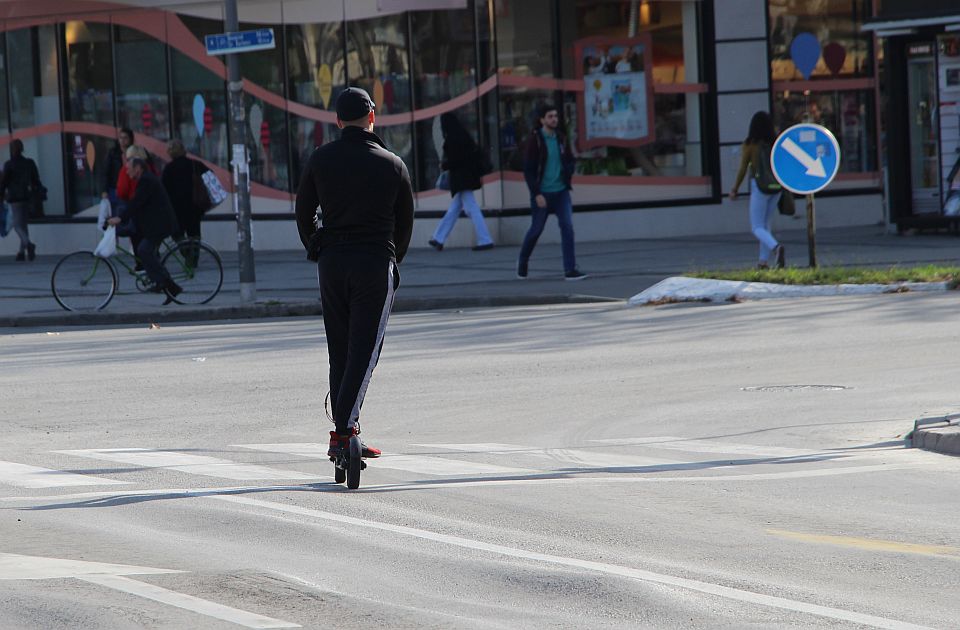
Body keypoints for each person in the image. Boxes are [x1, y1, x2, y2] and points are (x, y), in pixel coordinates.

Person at [294, 87, 414, 460]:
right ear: (372, 118)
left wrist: (314, 244)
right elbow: (405, 222)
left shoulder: (320, 159)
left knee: (340, 350)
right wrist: (394, 257)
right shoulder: (393, 163)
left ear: (338, 121)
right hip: (373, 262)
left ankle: (347, 431)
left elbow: (303, 211)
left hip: (332, 263)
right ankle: (344, 430)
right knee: (364, 351)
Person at [518, 103, 586, 280]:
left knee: (567, 227)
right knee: (536, 230)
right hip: (543, 194)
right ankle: (523, 261)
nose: (554, 119)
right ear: (542, 120)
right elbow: (529, 170)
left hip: (561, 192)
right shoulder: (535, 141)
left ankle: (570, 269)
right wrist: (536, 194)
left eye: (555, 116)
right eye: (550, 116)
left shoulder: (561, 139)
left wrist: (569, 170)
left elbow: (569, 159)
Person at [107, 156, 182, 303]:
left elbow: (136, 202)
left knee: (143, 250)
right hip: (153, 224)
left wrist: (120, 218)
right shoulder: (144, 179)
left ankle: (165, 283)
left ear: (138, 168)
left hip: (160, 224)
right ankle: (168, 286)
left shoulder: (146, 181)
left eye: (129, 169)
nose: (127, 172)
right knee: (148, 252)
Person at [427, 112, 494, 252]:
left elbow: (454, 161)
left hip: (461, 179)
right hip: (468, 178)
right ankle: (438, 238)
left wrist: (445, 165)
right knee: (456, 208)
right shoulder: (464, 136)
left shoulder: (452, 140)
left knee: (471, 207)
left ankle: (485, 239)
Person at [729, 111, 785, 269]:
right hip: (777, 187)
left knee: (756, 227)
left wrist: (735, 189)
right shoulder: (776, 143)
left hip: (760, 187)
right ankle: (763, 262)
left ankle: (776, 248)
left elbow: (742, 169)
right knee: (765, 225)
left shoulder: (750, 144)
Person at [162, 138, 209, 242]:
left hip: (176, 209)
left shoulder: (169, 168)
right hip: (195, 206)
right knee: (194, 235)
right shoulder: (195, 164)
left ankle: (186, 252)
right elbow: (210, 177)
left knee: (177, 235)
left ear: (170, 152)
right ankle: (193, 256)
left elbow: (163, 189)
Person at [0, 139, 39, 261]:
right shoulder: (29, 163)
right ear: (22, 148)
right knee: (23, 224)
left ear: (12, 149)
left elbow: (4, 183)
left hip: (14, 197)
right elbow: (35, 179)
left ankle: (28, 244)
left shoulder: (9, 164)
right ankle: (21, 252)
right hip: (27, 197)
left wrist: (1, 197)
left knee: (17, 225)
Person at [101, 127, 133, 209]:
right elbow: (106, 172)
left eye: (125, 138)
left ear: (130, 139)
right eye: (120, 138)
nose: (122, 140)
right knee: (116, 212)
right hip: (115, 188)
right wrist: (104, 190)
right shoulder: (113, 153)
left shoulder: (134, 152)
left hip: (131, 188)